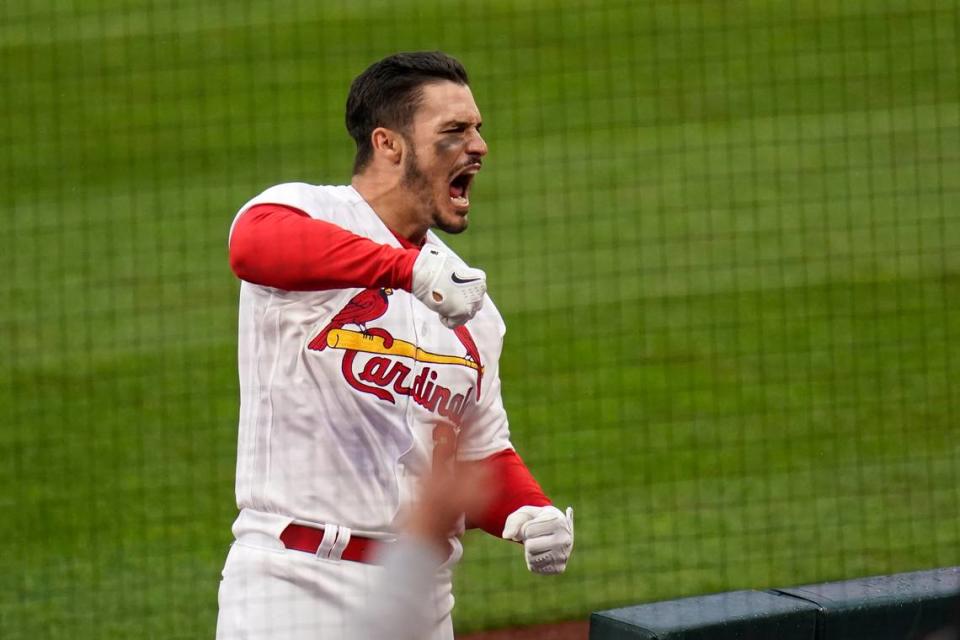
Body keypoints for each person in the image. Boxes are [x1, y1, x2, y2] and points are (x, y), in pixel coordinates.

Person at [216, 51, 574, 640]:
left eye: (478, 129)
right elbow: (251, 247)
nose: (479, 146)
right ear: (389, 144)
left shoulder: (468, 303)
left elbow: (478, 455)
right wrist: (405, 272)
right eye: (455, 132)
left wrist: (526, 511)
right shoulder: (307, 213)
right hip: (293, 586)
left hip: (420, 599)